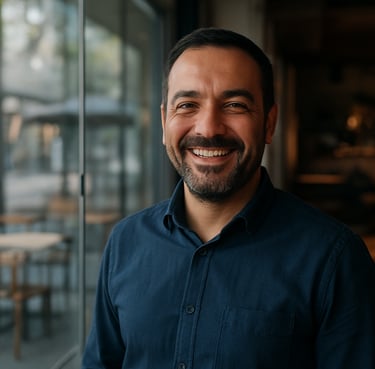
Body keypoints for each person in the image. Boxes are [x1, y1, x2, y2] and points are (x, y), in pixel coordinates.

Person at [82, 27, 375, 369]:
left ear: (269, 123)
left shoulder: (334, 259)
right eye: (187, 104)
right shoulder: (125, 242)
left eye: (235, 105)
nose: (208, 128)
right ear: (164, 122)